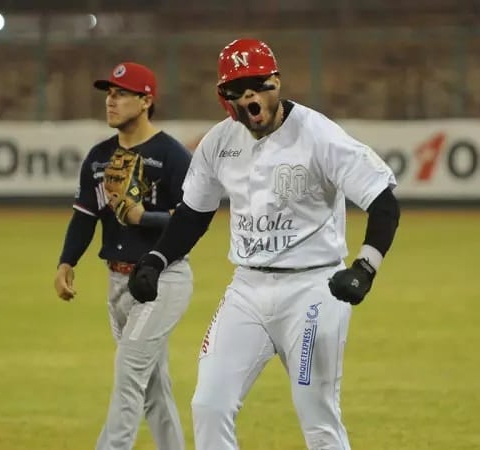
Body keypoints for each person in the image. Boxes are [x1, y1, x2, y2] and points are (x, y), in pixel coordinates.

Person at [127, 39, 401, 450]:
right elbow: (193, 214)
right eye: (236, 90)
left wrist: (365, 267)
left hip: (314, 289)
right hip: (247, 290)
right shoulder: (220, 142)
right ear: (225, 98)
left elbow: (383, 202)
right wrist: (156, 258)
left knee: (318, 416)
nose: (249, 96)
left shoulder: (318, 134)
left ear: (276, 81)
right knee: (209, 405)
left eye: (257, 84)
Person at [53, 61, 193, 450]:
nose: (110, 101)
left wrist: (141, 216)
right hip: (117, 281)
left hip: (162, 280)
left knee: (129, 372)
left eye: (121, 94)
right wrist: (67, 261)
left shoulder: (172, 156)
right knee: (152, 386)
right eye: (109, 94)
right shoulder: (99, 158)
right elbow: (84, 216)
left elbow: (192, 221)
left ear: (146, 100)